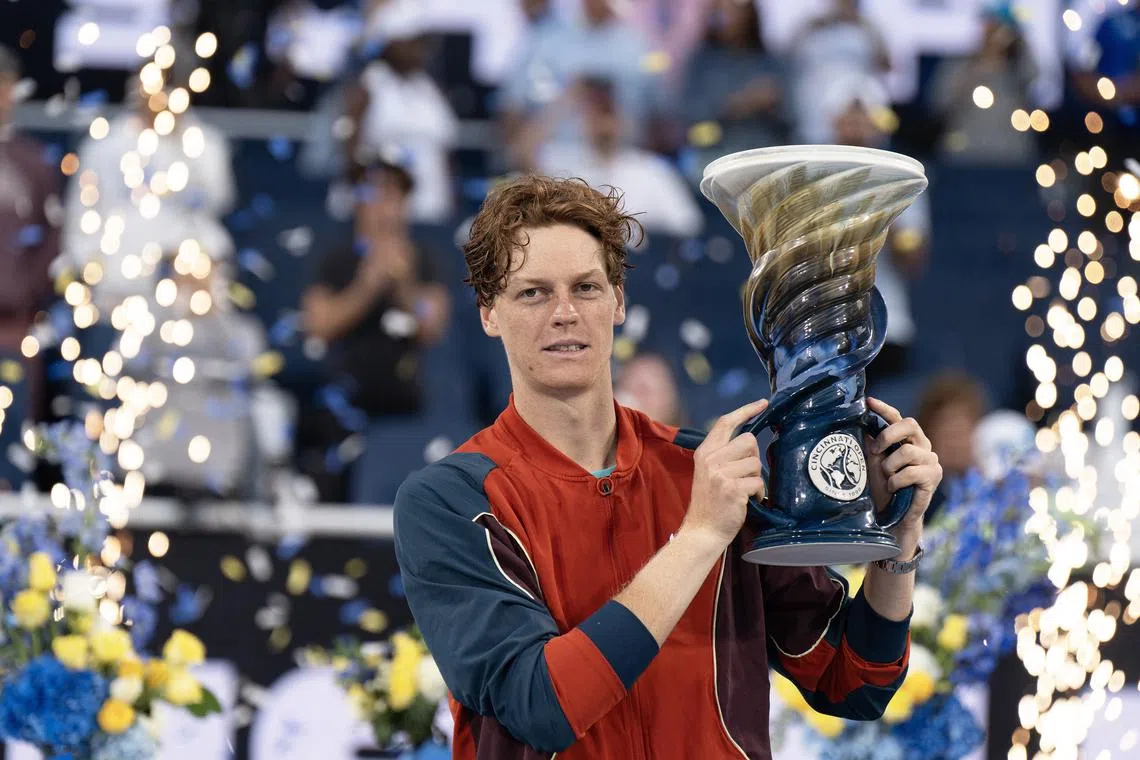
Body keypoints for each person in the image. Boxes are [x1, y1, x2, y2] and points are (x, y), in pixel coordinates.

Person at [393, 176, 943, 758]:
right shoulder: (450, 500)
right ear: (489, 313)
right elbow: (542, 707)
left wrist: (897, 540)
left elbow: (854, 684)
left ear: (619, 301)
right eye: (532, 293)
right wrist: (700, 534)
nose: (564, 313)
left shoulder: (707, 471)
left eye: (586, 287)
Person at [301, 159, 450, 503]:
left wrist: (402, 285)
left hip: (406, 406)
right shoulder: (336, 260)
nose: (383, 207)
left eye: (392, 196)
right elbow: (317, 325)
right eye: (374, 195)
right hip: (343, 405)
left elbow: (432, 324)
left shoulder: (425, 259)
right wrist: (367, 286)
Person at [537, 77, 703, 238]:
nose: (603, 125)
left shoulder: (650, 170)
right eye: (595, 116)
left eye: (609, 114)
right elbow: (522, 153)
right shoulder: (563, 164)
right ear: (582, 120)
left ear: (623, 120)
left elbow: (688, 226)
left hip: (637, 259)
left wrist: (636, 229)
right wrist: (567, 99)